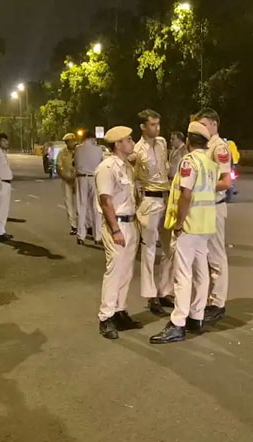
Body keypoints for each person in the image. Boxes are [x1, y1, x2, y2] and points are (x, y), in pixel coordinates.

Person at [150, 122, 218, 344]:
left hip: (189, 225)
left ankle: (177, 323)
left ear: (189, 141)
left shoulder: (189, 161)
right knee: (201, 272)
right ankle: (196, 317)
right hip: (205, 225)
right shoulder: (210, 163)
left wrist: (179, 223)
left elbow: (186, 195)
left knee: (182, 275)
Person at [95, 126, 143, 339]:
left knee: (126, 271)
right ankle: (106, 317)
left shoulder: (126, 167)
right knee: (114, 271)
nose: (132, 142)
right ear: (117, 144)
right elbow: (106, 201)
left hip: (131, 223)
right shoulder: (107, 168)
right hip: (117, 225)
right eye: (128, 139)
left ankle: (120, 311)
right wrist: (115, 229)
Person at [131, 109, 174, 316]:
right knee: (149, 250)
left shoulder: (162, 143)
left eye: (158, 124)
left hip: (166, 198)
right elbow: (133, 178)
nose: (157, 128)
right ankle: (150, 295)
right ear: (143, 127)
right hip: (149, 200)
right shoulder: (136, 150)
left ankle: (165, 289)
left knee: (170, 247)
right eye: (153, 125)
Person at [195, 108, 233, 324]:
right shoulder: (205, 146)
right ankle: (209, 300)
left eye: (203, 125)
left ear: (214, 125)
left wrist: (201, 187)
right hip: (204, 208)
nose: (200, 129)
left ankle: (218, 303)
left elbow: (226, 182)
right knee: (205, 256)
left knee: (216, 256)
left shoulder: (219, 148)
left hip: (215, 206)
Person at [74, 135, 103, 245]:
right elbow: (101, 163)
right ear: (92, 139)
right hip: (94, 178)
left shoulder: (78, 149)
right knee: (96, 207)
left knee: (81, 206)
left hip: (81, 178)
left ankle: (81, 235)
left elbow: (75, 163)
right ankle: (98, 236)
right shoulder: (98, 149)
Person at [57, 133, 79, 235]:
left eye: (72, 141)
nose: (70, 143)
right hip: (66, 179)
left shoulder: (79, 151)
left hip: (78, 179)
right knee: (69, 203)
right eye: (68, 142)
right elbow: (58, 167)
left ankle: (85, 224)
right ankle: (73, 225)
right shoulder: (62, 152)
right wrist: (64, 176)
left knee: (81, 203)